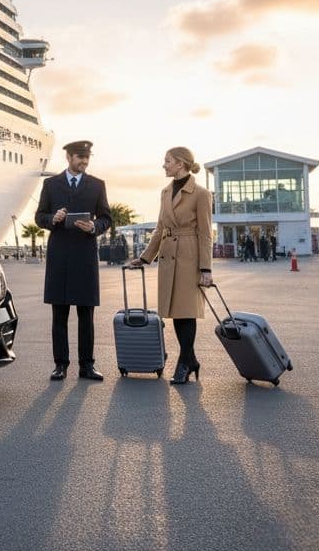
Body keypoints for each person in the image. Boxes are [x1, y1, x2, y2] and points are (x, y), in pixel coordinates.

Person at [127, 146, 213, 385]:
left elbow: (206, 233)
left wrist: (206, 269)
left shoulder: (201, 193)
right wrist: (145, 257)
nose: (163, 165)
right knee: (175, 313)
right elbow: (160, 228)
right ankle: (191, 359)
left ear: (181, 163)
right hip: (167, 256)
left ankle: (185, 362)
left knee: (187, 312)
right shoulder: (165, 191)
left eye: (168, 161)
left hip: (189, 257)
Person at [35, 140, 112, 381]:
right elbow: (39, 216)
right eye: (80, 157)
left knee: (86, 315)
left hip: (85, 256)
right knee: (59, 314)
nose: (85, 161)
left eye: (87, 157)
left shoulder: (97, 185)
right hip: (59, 256)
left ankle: (87, 365)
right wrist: (53, 218)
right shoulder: (50, 184)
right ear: (68, 157)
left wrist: (94, 226)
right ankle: (60, 365)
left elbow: (106, 218)